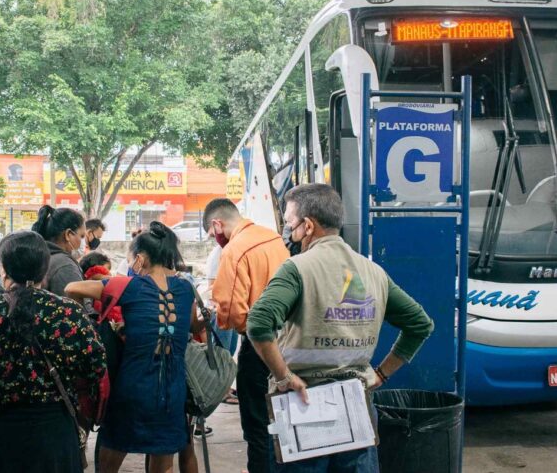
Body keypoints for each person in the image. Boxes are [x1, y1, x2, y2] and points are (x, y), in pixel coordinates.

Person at [247, 184, 435, 472]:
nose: (289, 232)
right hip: (356, 404)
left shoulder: (297, 268)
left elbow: (259, 323)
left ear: (308, 225)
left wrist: (283, 376)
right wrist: (382, 374)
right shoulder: (374, 272)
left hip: (304, 403)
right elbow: (420, 325)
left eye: (289, 223)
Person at [0, 231, 107, 473]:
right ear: (44, 270)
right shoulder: (68, 313)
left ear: (3, 270)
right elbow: (95, 366)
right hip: (52, 435)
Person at [65, 221, 202, 473]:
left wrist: (88, 318)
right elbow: (193, 326)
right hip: (172, 390)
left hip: (133, 388)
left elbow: (71, 288)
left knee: (109, 463)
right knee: (161, 465)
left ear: (139, 259)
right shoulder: (186, 288)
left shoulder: (128, 285)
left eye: (131, 260)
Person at [204, 198, 289, 473]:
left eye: (211, 233)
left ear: (217, 224)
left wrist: (218, 316)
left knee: (257, 423)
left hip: (258, 344)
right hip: (288, 340)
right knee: (283, 420)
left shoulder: (235, 250)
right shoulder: (273, 239)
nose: (215, 239)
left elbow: (230, 311)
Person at [31, 205, 86, 297]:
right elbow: (76, 307)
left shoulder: (40, 256)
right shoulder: (64, 265)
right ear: (68, 234)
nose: (82, 242)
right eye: (81, 236)